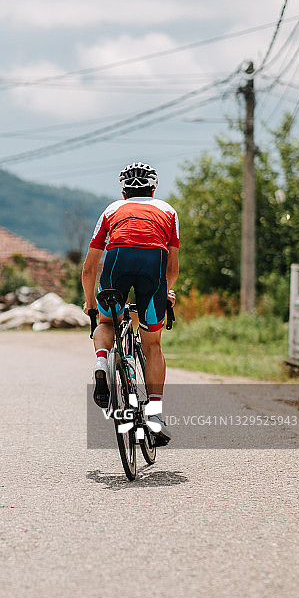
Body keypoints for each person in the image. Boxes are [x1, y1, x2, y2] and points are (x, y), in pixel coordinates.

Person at [82, 162, 179, 445]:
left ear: (123, 192)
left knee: (106, 321)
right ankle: (155, 416)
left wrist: (90, 304)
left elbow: (89, 268)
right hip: (154, 264)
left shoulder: (112, 210)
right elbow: (171, 268)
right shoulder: (168, 211)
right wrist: (166, 293)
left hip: (117, 260)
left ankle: (102, 363)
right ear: (154, 188)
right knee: (152, 345)